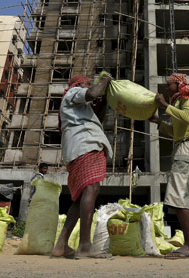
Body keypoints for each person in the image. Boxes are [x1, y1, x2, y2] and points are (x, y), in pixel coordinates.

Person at [52, 74, 112, 259]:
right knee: (92, 188)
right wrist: (104, 81)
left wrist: (104, 101)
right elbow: (92, 93)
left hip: (77, 148)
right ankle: (85, 245)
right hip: (86, 145)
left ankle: (61, 245)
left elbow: (97, 117)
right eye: (87, 83)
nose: (90, 86)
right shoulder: (74, 91)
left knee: (80, 197)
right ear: (80, 84)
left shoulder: (78, 106)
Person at [149, 73, 189, 259]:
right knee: (185, 203)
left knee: (178, 196)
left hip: (187, 148)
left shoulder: (186, 98)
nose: (167, 88)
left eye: (170, 84)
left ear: (178, 83)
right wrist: (159, 121)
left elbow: (188, 118)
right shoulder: (179, 102)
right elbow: (176, 130)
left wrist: (165, 105)